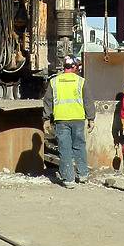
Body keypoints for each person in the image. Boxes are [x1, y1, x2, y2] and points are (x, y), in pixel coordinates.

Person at [43, 54, 95, 188]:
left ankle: (68, 179)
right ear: (75, 67)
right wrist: (91, 118)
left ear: (64, 66)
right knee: (79, 146)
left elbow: (48, 101)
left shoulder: (54, 81)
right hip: (78, 119)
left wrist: (46, 119)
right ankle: (82, 174)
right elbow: (88, 101)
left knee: (64, 149)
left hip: (61, 119)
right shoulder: (81, 81)